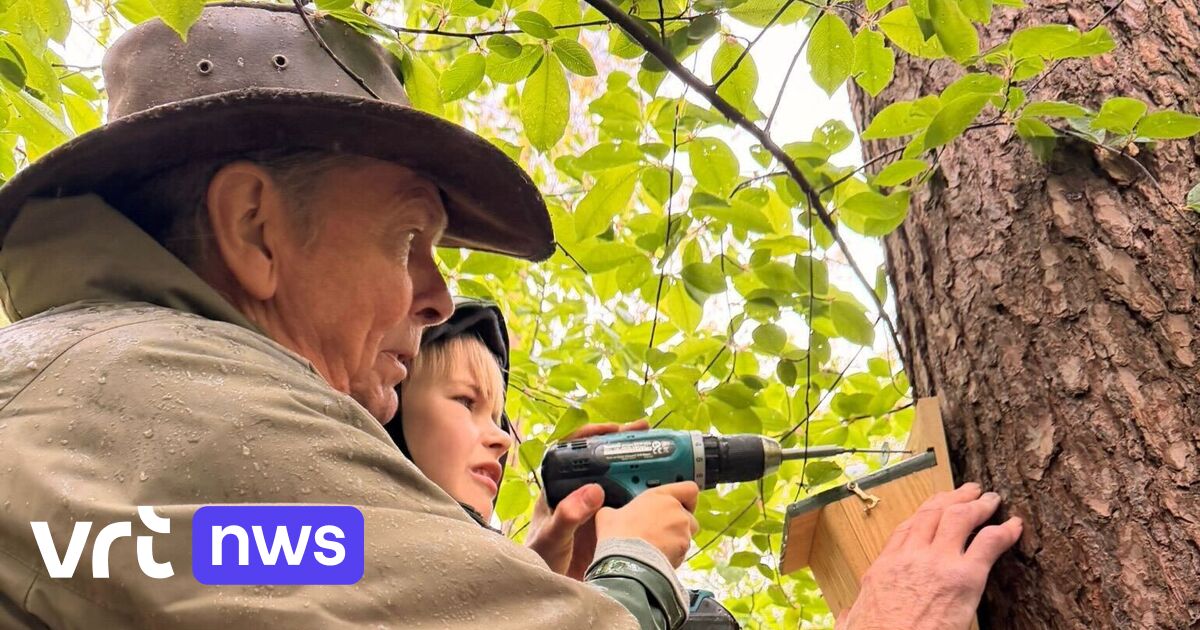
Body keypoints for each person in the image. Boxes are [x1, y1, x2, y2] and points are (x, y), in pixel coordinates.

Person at [0, 3, 1021, 629]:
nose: (439, 297)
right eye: (410, 241)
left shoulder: (86, 413)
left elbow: (243, 557)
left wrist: (485, 587)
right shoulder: (192, 404)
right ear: (255, 226)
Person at [387, 300, 739, 628]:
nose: (503, 439)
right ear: (390, 407)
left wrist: (547, 578)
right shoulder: (345, 531)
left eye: (498, 419)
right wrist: (636, 571)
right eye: (466, 401)